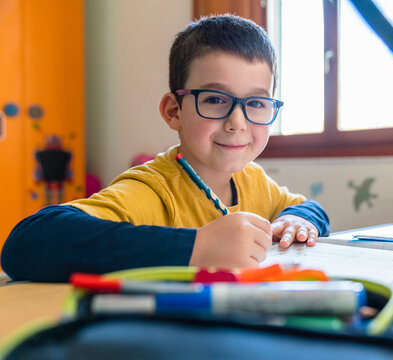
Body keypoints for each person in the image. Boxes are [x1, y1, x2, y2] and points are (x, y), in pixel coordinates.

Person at [0, 15, 330, 282]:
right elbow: (27, 244)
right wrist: (196, 248)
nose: (237, 122)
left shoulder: (253, 180)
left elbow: (308, 207)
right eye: (215, 99)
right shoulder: (153, 190)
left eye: (256, 102)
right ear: (174, 111)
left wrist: (297, 219)